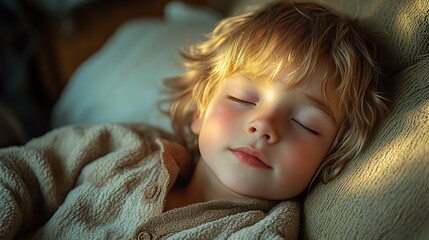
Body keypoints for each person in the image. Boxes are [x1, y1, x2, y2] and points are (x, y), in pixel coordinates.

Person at [0, 1, 387, 239]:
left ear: (332, 157)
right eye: (242, 98)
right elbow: (20, 172)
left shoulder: (262, 233)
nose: (264, 126)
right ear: (201, 111)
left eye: (305, 124)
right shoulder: (120, 145)